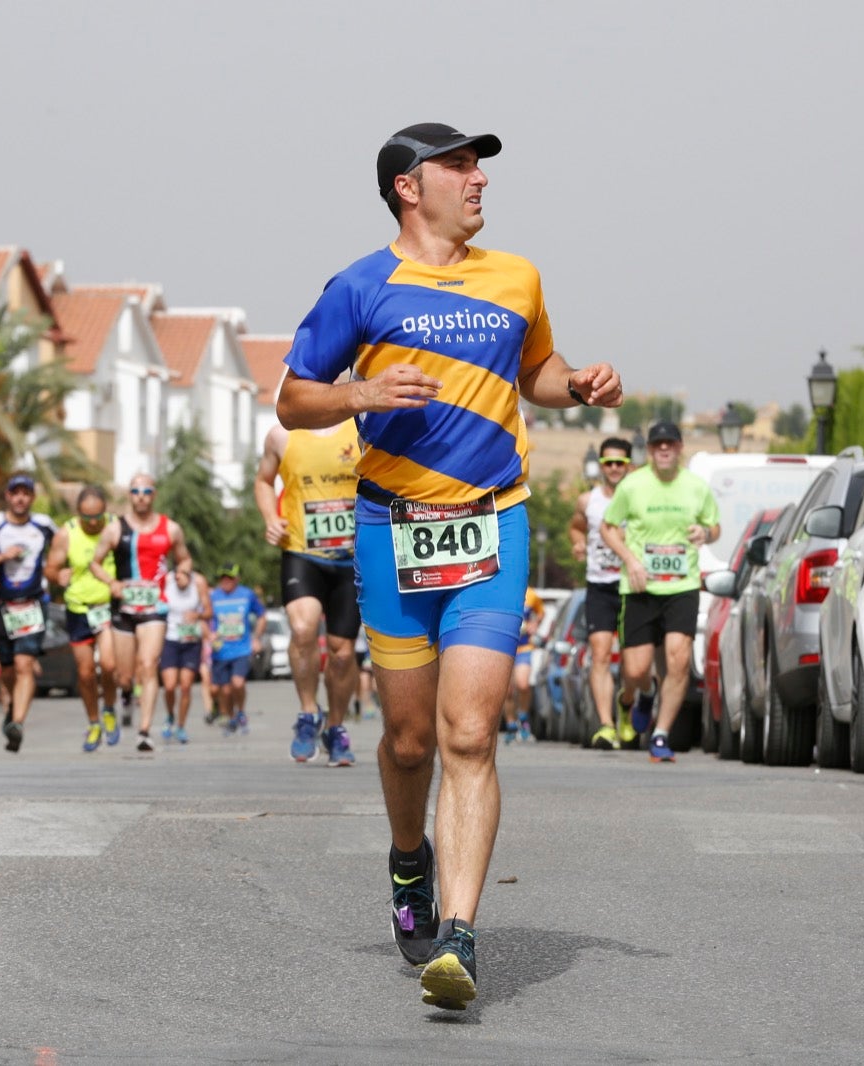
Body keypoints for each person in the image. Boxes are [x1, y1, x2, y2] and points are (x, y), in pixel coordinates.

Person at [276, 121, 622, 1010]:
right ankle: (407, 862)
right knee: (408, 739)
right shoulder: (359, 285)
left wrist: (576, 384)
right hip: (395, 531)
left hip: (492, 525)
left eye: (480, 168)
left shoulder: (518, 276)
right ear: (407, 186)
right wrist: (360, 391)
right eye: (460, 167)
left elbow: (534, 369)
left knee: (471, 732)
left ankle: (461, 937)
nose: (478, 181)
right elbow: (293, 398)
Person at [600, 421, 721, 764]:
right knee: (636, 670)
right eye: (657, 445)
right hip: (640, 586)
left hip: (682, 585)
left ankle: (661, 733)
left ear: (680, 448)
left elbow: (714, 526)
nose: (664, 449)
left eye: (670, 444)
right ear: (650, 451)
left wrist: (706, 534)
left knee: (679, 659)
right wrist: (630, 561)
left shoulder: (696, 487)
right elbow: (608, 528)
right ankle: (641, 696)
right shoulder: (633, 485)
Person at [254, 418, 362, 766]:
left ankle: (335, 727)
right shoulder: (281, 435)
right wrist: (271, 517)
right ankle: (307, 714)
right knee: (302, 629)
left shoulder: (362, 427)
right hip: (302, 551)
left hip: (352, 556)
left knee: (342, 651)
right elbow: (263, 481)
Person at [89, 474, 194, 754]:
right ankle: (125, 693)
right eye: (136, 491)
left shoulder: (170, 529)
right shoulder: (115, 529)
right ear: (129, 495)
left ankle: (144, 730)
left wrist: (183, 572)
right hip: (124, 607)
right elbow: (95, 563)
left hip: (155, 607)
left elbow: (184, 557)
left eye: (146, 491)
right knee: (124, 674)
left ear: (154, 494)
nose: (141, 496)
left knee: (148, 664)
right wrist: (111, 583)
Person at [0, 473, 58, 753]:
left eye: (26, 493)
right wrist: (2, 557)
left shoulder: (44, 525)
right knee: (8, 670)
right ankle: (11, 707)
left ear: (32, 498)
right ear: (8, 496)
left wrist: (60, 571)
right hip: (2, 605)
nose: (20, 498)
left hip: (34, 603)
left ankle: (18, 723)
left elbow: (61, 551)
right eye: (16, 493)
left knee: (25, 665)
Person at [569, 437, 634, 749]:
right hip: (599, 585)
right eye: (608, 463)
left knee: (636, 664)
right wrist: (578, 542)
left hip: (632, 585)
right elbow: (576, 526)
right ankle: (607, 726)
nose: (614, 468)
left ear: (629, 465)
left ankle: (627, 704)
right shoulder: (588, 500)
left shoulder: (638, 498)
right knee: (601, 653)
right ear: (602, 466)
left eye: (620, 463)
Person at [47, 486, 123, 753]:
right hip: (78, 608)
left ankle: (110, 709)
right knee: (85, 672)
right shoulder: (66, 533)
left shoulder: (115, 527)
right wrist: (58, 576)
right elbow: (50, 568)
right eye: (87, 517)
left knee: (110, 665)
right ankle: (93, 722)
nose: (93, 523)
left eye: (97, 517)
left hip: (106, 606)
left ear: (105, 511)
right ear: (78, 513)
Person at [207, 563, 265, 734]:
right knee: (223, 690)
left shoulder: (247, 595)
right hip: (220, 651)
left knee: (237, 683)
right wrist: (208, 634)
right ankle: (230, 716)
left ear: (237, 579)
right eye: (222, 577)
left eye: (230, 577)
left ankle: (240, 711)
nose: (226, 581)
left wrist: (256, 639)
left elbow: (261, 616)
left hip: (241, 649)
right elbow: (204, 617)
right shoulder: (213, 596)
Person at [158, 565, 212, 742]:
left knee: (186, 686)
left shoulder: (199, 582)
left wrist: (198, 616)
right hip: (170, 639)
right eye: (177, 575)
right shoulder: (166, 580)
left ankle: (181, 726)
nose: (178, 578)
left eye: (183, 575)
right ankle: (170, 716)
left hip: (191, 641)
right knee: (170, 685)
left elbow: (209, 611)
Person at [502, 587, 544, 743]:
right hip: (504, 646)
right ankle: (511, 724)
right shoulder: (501, 590)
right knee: (508, 691)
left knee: (523, 684)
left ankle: (524, 717)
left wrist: (534, 623)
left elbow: (541, 612)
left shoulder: (531, 594)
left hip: (524, 647)